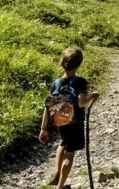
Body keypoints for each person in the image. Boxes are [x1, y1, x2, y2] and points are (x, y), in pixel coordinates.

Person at [40, 47, 99, 189]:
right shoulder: (79, 82)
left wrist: (43, 128)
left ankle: (56, 172)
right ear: (79, 64)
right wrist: (92, 96)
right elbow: (80, 102)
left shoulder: (56, 83)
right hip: (75, 122)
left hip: (61, 121)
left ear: (62, 63)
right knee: (70, 153)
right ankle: (60, 187)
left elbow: (48, 106)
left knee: (63, 142)